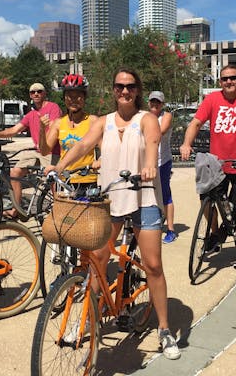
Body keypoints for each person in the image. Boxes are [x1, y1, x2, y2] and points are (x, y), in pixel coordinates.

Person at [47, 68, 181, 360]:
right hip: (111, 201)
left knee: (153, 265)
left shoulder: (146, 119)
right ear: (112, 90)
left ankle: (164, 329)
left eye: (130, 86)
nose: (124, 91)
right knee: (97, 261)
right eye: (119, 86)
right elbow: (82, 144)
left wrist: (148, 166)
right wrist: (59, 167)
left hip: (144, 197)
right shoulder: (103, 122)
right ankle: (86, 323)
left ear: (138, 90)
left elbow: (153, 143)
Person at [179, 64, 236, 271]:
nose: (228, 82)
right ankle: (216, 233)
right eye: (224, 79)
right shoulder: (212, 99)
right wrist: (186, 143)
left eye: (233, 78)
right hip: (217, 165)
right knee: (207, 201)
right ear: (220, 82)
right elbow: (195, 123)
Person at [0, 82, 61, 218]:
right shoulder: (30, 115)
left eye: (39, 91)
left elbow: (55, 128)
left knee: (52, 178)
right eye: (33, 92)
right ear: (30, 96)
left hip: (51, 150)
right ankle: (17, 210)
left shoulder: (53, 107)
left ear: (44, 93)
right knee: (15, 172)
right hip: (36, 151)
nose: (36, 94)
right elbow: (15, 129)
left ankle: (59, 209)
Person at [39, 74, 99, 194]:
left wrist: (101, 159)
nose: (73, 100)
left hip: (87, 179)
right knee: (63, 213)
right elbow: (45, 151)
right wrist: (42, 129)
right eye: (69, 96)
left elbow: (106, 147)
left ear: (84, 98)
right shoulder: (59, 123)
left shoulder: (93, 121)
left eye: (78, 96)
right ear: (64, 98)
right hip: (64, 180)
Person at [147, 91, 177, 243]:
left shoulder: (166, 116)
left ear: (162, 104)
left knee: (165, 195)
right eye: (152, 101)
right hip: (147, 162)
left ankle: (171, 229)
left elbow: (159, 132)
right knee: (146, 193)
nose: (154, 104)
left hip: (162, 161)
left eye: (157, 102)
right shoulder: (144, 117)